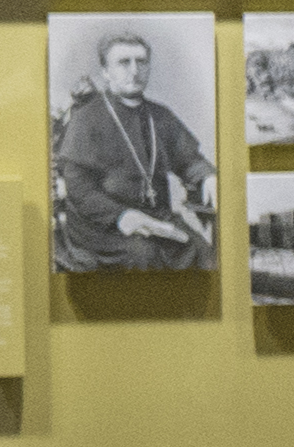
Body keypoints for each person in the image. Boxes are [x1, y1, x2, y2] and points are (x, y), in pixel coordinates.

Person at [43, 23, 209, 275]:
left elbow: (189, 160)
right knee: (144, 254)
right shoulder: (86, 118)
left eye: (141, 62)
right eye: (124, 62)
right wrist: (122, 216)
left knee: (205, 254)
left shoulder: (161, 116)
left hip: (157, 217)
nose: (135, 71)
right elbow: (79, 189)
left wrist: (208, 178)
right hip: (102, 226)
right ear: (106, 72)